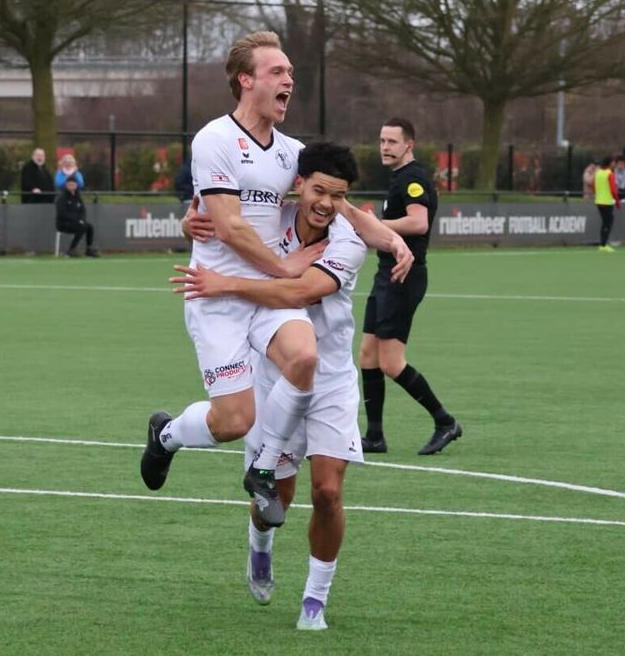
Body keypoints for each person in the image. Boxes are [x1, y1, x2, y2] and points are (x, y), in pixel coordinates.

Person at [140, 31, 412, 529]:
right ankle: (167, 435)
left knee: (305, 357)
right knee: (234, 421)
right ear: (246, 80)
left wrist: (392, 241)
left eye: (290, 73)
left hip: (266, 299)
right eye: (278, 72)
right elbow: (229, 225)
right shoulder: (215, 139)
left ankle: (263, 470)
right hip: (215, 293)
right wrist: (283, 267)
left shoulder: (292, 152)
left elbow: (347, 209)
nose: (290, 79)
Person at [173, 142, 367, 631]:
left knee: (327, 491)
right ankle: (259, 547)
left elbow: (299, 290)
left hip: (331, 381)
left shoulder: (347, 241)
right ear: (300, 184)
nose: (325, 204)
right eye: (319, 190)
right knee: (273, 500)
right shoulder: (268, 218)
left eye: (337, 196)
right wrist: (188, 221)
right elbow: (217, 220)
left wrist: (226, 285)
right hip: (273, 376)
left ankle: (314, 601)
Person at [359, 118, 462, 456]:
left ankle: (445, 421)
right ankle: (374, 436)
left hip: (404, 275)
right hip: (386, 272)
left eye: (392, 141)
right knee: (367, 355)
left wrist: (375, 225)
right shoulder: (398, 179)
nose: (385, 147)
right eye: (382, 141)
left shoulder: (414, 179)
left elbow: (418, 223)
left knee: (390, 362)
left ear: (409, 145)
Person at [55, 175, 98, 257]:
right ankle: (71, 249)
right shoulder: (61, 198)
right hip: (63, 224)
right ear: (66, 185)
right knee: (81, 227)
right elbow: (62, 214)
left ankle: (89, 249)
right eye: (69, 184)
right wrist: (77, 220)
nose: (71, 186)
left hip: (77, 222)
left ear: (76, 185)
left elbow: (82, 210)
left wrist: (81, 219)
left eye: (73, 184)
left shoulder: (78, 197)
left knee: (89, 227)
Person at [594, 155, 621, 252]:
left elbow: (594, 186)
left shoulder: (598, 173)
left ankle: (603, 243)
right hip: (607, 202)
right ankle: (603, 244)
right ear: (610, 163)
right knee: (608, 223)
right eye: (613, 162)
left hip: (599, 201)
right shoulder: (610, 174)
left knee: (605, 222)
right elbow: (613, 190)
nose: (614, 164)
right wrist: (617, 202)